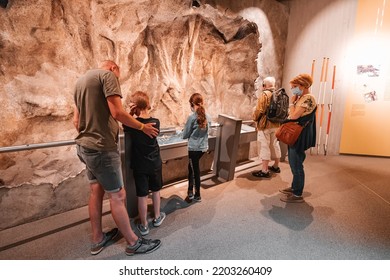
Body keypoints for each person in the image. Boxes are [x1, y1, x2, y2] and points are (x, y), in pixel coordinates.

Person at [73, 60, 161, 255]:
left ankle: (98, 239)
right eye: (118, 76)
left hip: (84, 146)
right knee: (118, 195)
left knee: (96, 191)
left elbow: (76, 121)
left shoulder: (80, 82)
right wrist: (142, 127)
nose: (117, 80)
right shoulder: (108, 76)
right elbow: (117, 112)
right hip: (102, 148)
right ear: (114, 69)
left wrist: (90, 135)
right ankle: (133, 242)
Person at [122, 91, 166, 236]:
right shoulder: (156, 122)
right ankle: (157, 217)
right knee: (156, 190)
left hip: (140, 165)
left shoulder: (132, 125)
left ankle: (144, 224)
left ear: (136, 106)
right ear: (147, 105)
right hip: (154, 163)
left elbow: (125, 122)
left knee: (142, 195)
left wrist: (131, 112)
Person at [279, 73, 317, 203]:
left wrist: (291, 103)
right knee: (294, 162)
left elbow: (294, 116)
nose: (293, 89)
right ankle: (295, 187)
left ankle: (297, 194)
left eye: (295, 86)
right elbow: (292, 115)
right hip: (296, 134)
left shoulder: (308, 98)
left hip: (300, 135)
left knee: (296, 165)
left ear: (304, 86)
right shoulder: (301, 97)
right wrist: (293, 103)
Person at [182, 93, 211, 202]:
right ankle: (190, 191)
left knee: (194, 171)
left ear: (192, 104)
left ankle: (196, 194)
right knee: (192, 169)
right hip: (203, 148)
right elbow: (209, 131)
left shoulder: (192, 117)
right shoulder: (208, 116)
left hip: (194, 149)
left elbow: (185, 135)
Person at [252, 76, 282, 178]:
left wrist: (255, 118)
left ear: (264, 85)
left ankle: (264, 171)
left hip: (265, 125)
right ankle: (276, 166)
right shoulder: (278, 94)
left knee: (264, 146)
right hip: (277, 124)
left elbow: (259, 110)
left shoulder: (264, 95)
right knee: (275, 145)